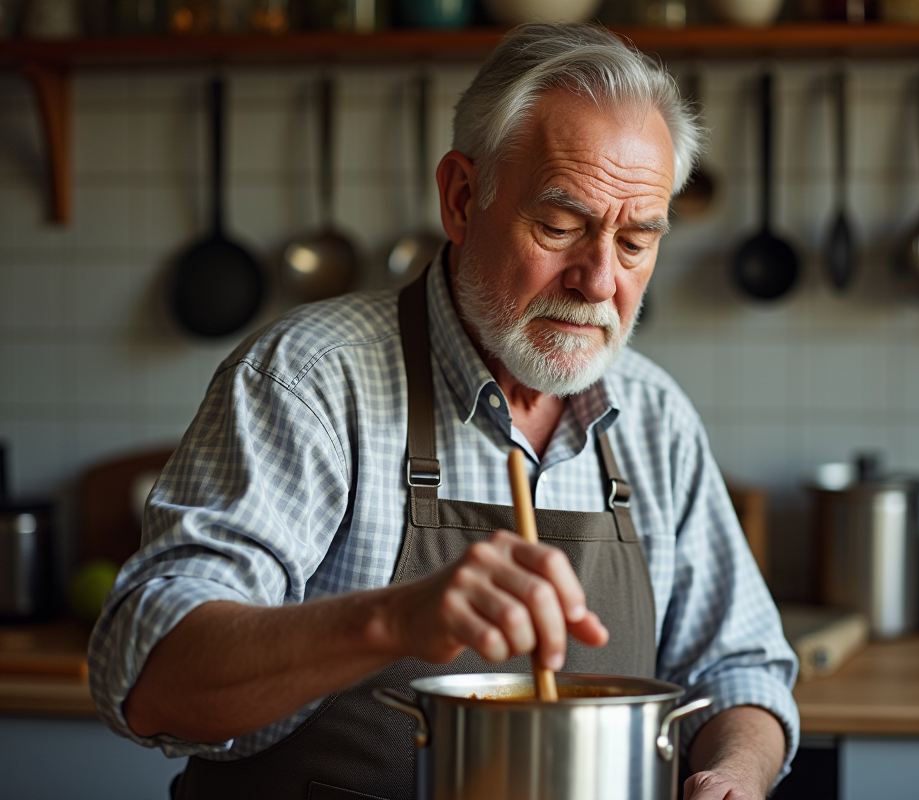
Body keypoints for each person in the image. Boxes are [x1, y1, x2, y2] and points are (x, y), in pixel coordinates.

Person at [89, 22, 800, 800]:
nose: (599, 280)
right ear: (463, 198)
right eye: (561, 227)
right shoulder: (312, 381)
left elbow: (741, 669)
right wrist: (393, 621)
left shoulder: (654, 415)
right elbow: (150, 676)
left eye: (635, 241)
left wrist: (734, 773)